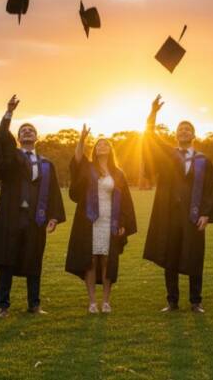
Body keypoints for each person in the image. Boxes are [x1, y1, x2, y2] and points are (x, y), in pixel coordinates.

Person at [142, 95, 213, 313]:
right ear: (176, 135)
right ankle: (172, 301)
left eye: (188, 129)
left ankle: (196, 301)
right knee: (171, 256)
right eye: (180, 129)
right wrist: (153, 113)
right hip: (170, 215)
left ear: (193, 135)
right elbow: (150, 137)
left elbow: (210, 190)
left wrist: (206, 214)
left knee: (195, 256)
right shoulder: (169, 154)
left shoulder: (203, 160)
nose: (184, 131)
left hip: (194, 216)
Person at [0, 95, 65, 317]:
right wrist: (9, 114)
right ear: (18, 138)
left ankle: (34, 304)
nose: (27, 132)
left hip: (35, 218)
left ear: (37, 137)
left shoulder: (47, 164)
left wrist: (53, 216)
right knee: (7, 260)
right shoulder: (11, 159)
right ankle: (3, 305)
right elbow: (1, 140)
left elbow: (53, 193)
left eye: (31, 130)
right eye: (23, 131)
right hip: (12, 216)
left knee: (34, 259)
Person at [65, 125, 137, 313]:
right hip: (88, 220)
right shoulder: (88, 169)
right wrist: (81, 140)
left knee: (107, 260)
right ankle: (92, 302)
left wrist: (122, 223)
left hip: (109, 220)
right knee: (91, 260)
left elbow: (126, 200)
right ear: (95, 150)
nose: (102, 146)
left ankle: (106, 301)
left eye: (106, 144)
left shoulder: (118, 173)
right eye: (98, 144)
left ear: (110, 149)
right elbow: (77, 161)